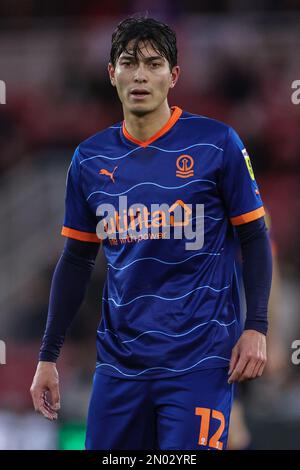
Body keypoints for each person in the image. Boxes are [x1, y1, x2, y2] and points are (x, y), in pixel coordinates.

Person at [30, 16, 273, 450]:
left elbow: (254, 238)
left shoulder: (216, 144)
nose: (140, 74)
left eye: (153, 63)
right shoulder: (89, 159)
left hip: (199, 361)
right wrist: (48, 356)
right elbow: (77, 259)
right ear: (111, 74)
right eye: (128, 63)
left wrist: (256, 327)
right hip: (120, 366)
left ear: (173, 75)